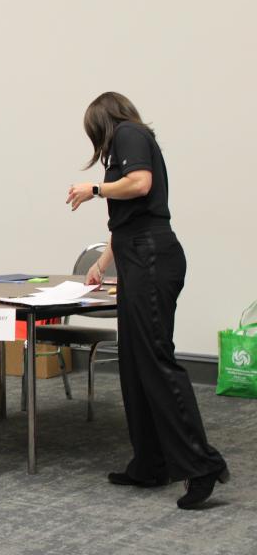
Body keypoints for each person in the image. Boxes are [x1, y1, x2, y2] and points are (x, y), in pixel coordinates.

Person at [67, 91, 228, 509]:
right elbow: (130, 218)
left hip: (153, 257)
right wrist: (105, 260)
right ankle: (151, 464)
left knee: (155, 360)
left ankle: (201, 464)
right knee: (135, 362)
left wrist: (95, 188)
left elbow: (141, 185)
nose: (98, 142)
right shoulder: (127, 138)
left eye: (94, 132)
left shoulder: (129, 133)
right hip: (139, 253)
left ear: (105, 121)